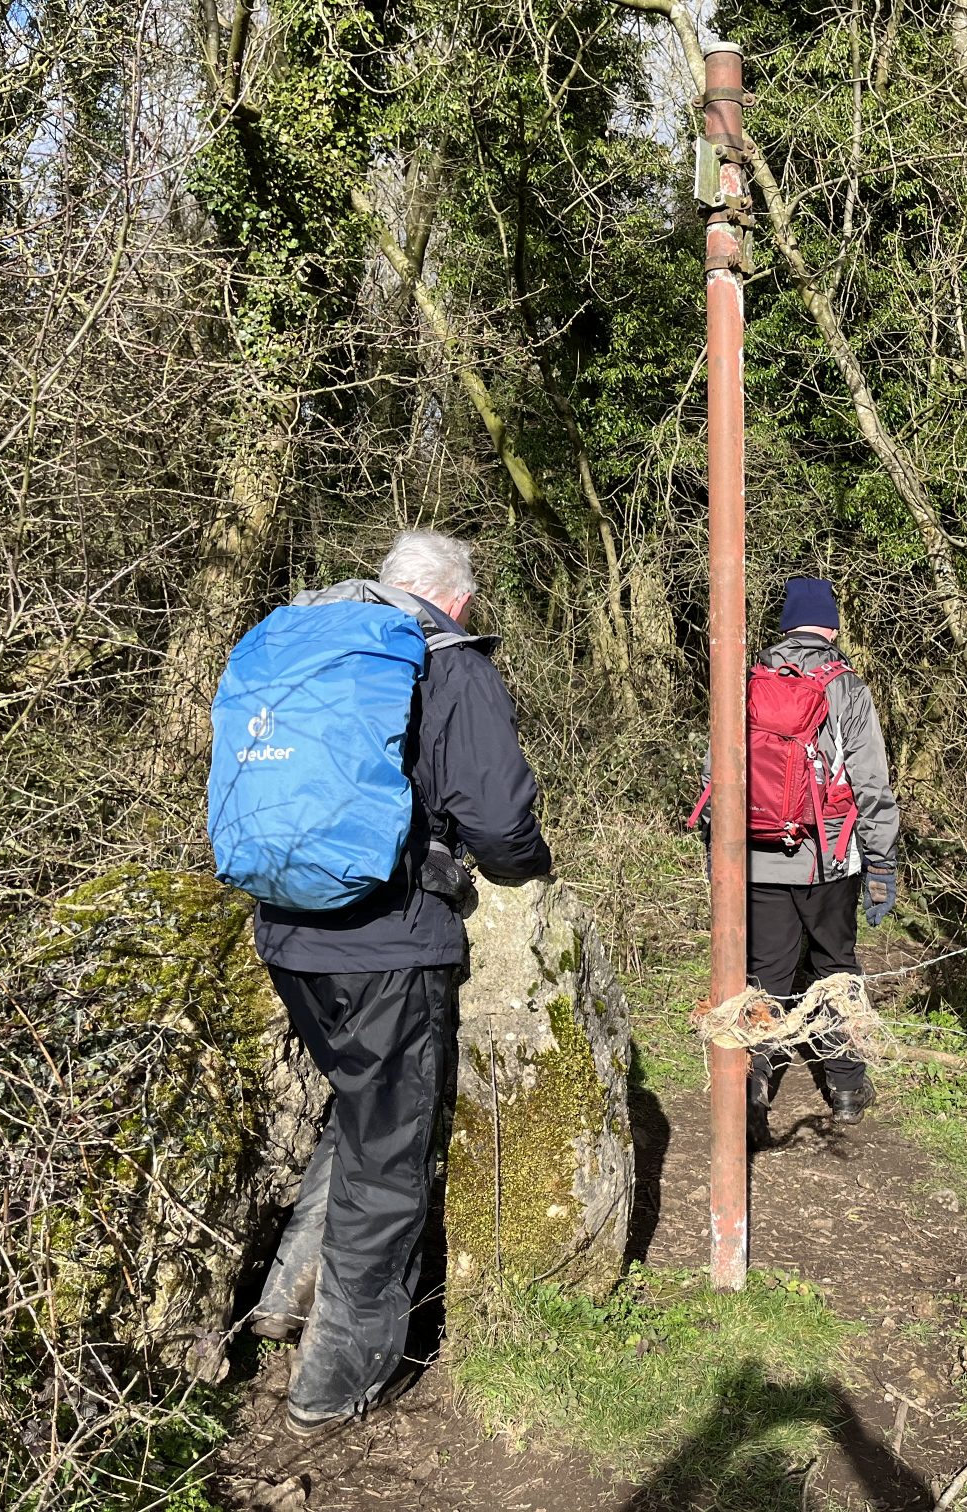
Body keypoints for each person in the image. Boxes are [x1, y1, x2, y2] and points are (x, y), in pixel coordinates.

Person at [245, 528, 551, 1437]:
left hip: (289, 930)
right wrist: (528, 868)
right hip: (389, 944)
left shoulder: (310, 646)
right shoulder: (447, 662)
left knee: (362, 1107)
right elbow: (497, 818)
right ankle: (334, 1382)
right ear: (458, 598)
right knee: (392, 1156)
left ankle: (288, 1293)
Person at [742, 576, 900, 1142]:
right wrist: (882, 865)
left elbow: (718, 775)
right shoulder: (846, 688)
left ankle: (753, 1088)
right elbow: (871, 783)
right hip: (828, 859)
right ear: (830, 627)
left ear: (786, 626)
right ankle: (848, 1089)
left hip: (759, 854)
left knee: (766, 972)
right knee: (836, 965)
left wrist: (725, 855)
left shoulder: (751, 681)